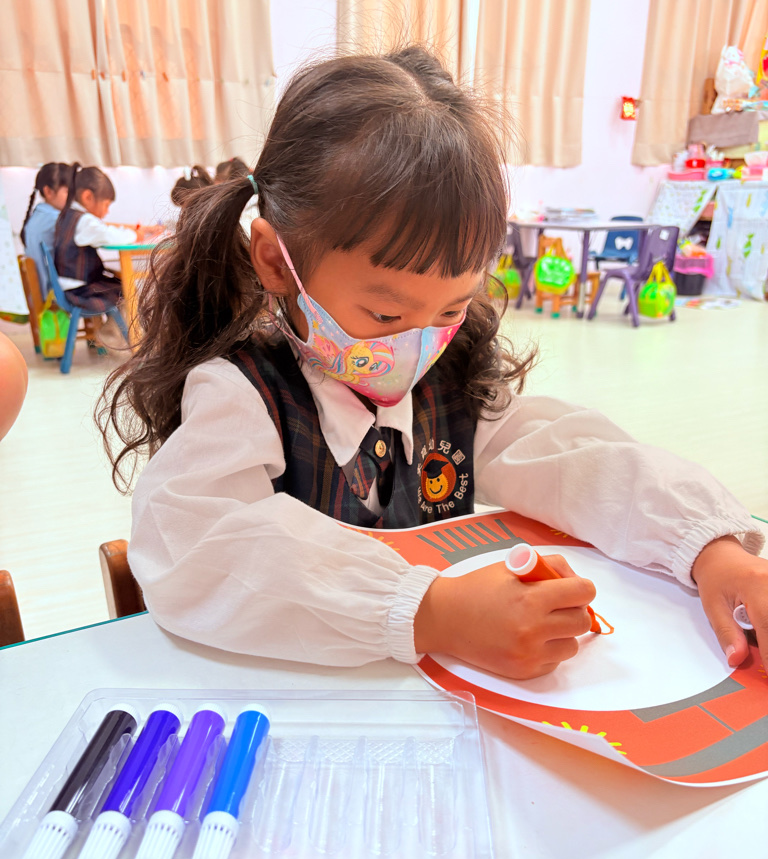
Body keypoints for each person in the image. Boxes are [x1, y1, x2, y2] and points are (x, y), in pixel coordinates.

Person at [98, 47, 767, 680]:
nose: (416, 345)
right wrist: (430, 612)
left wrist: (706, 546)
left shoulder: (452, 385)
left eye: (451, 308)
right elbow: (195, 543)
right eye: (386, 315)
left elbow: (577, 460)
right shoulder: (243, 393)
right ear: (277, 262)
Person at [54, 164, 138, 314]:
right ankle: (114, 329)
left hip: (71, 286)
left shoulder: (68, 215)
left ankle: (112, 328)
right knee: (128, 290)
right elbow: (110, 236)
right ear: (87, 197)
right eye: (106, 205)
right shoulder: (84, 221)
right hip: (80, 291)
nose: (107, 211)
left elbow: (103, 231)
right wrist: (135, 235)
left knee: (121, 285)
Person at [20, 163, 73, 296]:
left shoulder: (38, 215)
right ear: (48, 192)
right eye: (68, 192)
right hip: (55, 294)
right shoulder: (55, 219)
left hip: (41, 292)